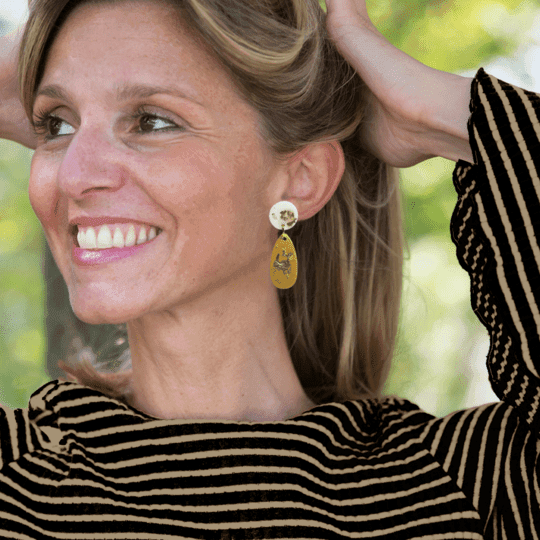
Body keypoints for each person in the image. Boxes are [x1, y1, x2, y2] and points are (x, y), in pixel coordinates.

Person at [0, 0, 538, 537]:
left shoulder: (467, 483)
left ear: (302, 178)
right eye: (57, 125)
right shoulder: (16, 474)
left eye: (152, 122)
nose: (73, 176)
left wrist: (437, 112)